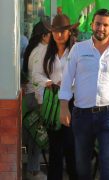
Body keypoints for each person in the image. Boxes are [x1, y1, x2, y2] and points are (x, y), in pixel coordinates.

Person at [58, 9, 109, 180]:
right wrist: (64, 107)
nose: (101, 28)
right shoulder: (78, 49)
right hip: (82, 114)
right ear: (92, 25)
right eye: (98, 24)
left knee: (108, 162)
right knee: (82, 164)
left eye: (105, 25)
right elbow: (66, 80)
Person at [32, 14, 78, 180]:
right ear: (51, 33)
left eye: (63, 31)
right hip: (52, 102)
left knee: (71, 145)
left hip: (73, 102)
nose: (59, 35)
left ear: (69, 32)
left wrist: (69, 84)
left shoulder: (76, 51)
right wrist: (48, 82)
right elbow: (36, 74)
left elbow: (83, 75)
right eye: (56, 31)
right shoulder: (44, 51)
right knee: (55, 147)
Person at [21, 21, 50, 180]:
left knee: (34, 135)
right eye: (50, 34)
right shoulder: (41, 50)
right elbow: (36, 78)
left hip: (31, 96)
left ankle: (33, 169)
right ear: (44, 36)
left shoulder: (33, 49)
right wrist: (41, 101)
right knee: (37, 136)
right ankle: (34, 170)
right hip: (36, 97)